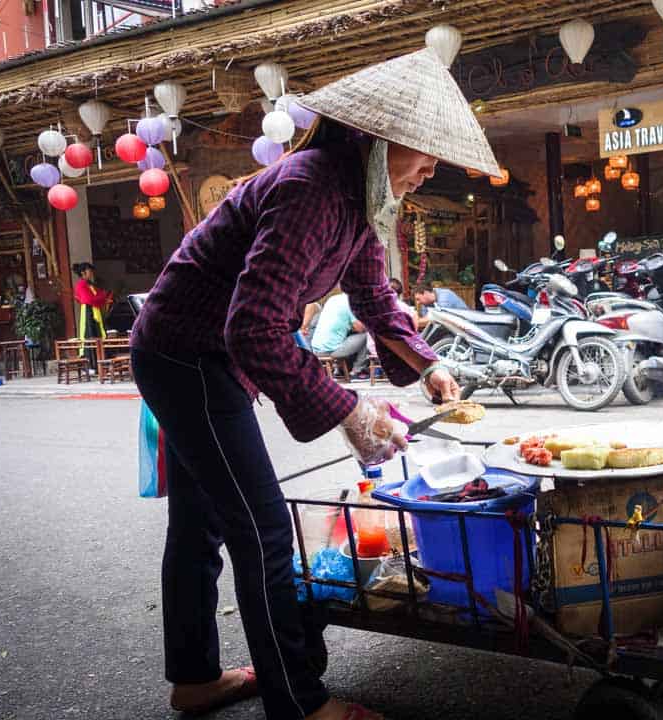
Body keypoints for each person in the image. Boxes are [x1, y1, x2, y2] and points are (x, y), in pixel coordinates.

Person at [128, 47, 498, 720]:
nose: (430, 170)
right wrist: (349, 412)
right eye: (425, 154)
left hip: (198, 351)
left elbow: (375, 298)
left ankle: (194, 678)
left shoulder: (360, 199)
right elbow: (254, 328)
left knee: (200, 523)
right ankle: (299, 703)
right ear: (378, 139)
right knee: (264, 529)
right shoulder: (311, 187)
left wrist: (428, 364)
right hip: (188, 353)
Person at [310, 293, 368, 375]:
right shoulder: (350, 302)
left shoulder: (332, 299)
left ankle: (339, 369)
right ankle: (358, 371)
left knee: (345, 336)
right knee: (366, 335)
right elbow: (360, 328)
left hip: (316, 348)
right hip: (331, 351)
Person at [72, 262, 113, 370]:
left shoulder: (90, 284)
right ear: (83, 272)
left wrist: (105, 297)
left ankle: (100, 364)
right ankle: (91, 365)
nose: (91, 273)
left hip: (95, 311)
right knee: (89, 336)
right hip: (88, 313)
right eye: (89, 271)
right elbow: (88, 299)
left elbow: (99, 295)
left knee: (98, 335)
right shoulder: (81, 284)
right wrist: (103, 297)